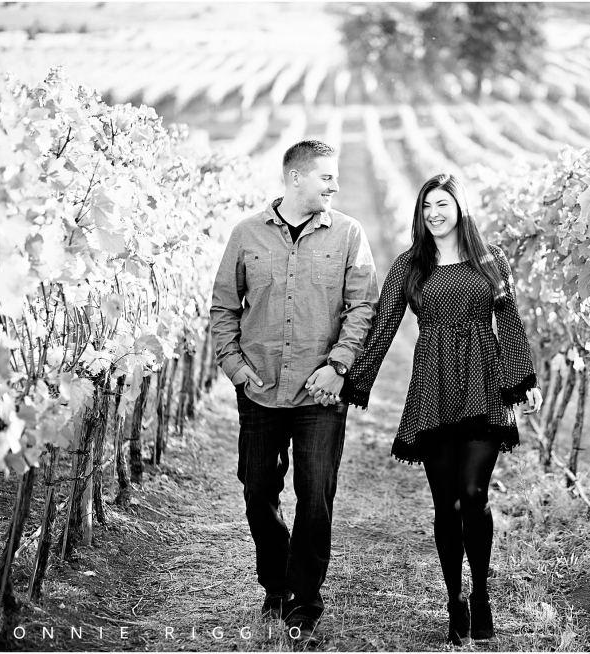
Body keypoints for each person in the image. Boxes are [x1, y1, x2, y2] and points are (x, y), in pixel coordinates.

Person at [343, 173, 543, 645]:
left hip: (484, 383)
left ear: (460, 208)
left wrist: (523, 382)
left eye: (443, 204)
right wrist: (352, 379)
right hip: (433, 387)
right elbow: (383, 325)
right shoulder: (410, 266)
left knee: (474, 495)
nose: (434, 213)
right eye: (427, 205)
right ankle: (454, 598)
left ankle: (481, 595)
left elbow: (510, 323)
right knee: (446, 504)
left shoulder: (488, 262)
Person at [210, 140, 378, 644]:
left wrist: (338, 367)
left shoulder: (349, 235)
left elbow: (362, 310)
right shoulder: (246, 234)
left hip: (320, 393)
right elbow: (223, 308)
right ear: (296, 178)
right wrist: (236, 369)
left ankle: (303, 600)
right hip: (259, 388)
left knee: (316, 496)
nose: (335, 185)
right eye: (326, 176)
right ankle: (276, 582)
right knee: (258, 490)